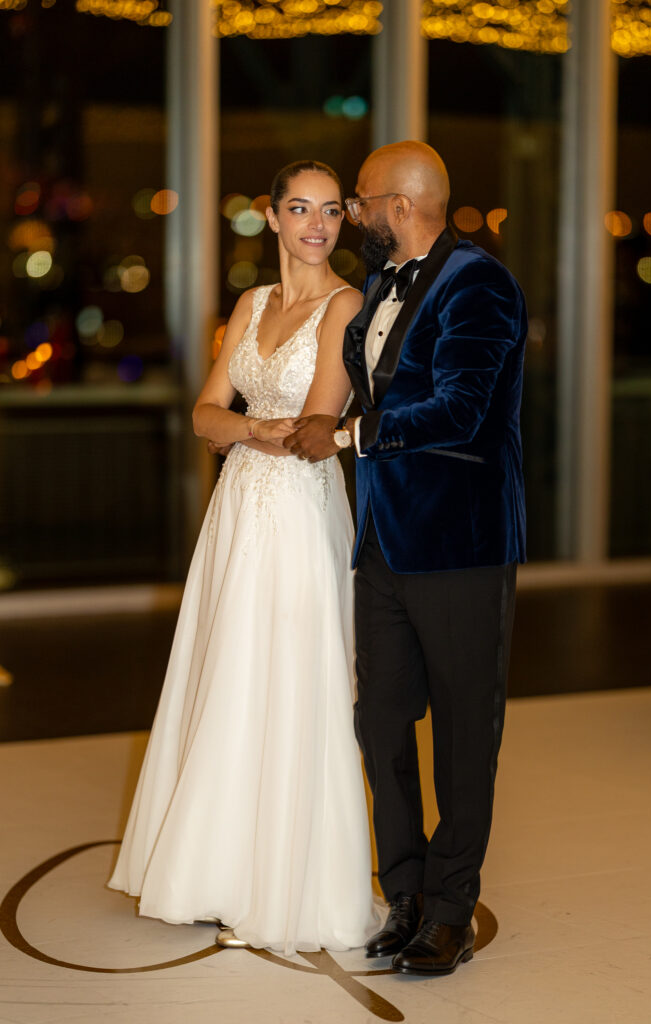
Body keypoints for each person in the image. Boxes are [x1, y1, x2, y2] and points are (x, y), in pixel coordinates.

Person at [108, 160, 380, 956]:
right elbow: (203, 414)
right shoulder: (251, 303)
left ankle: (286, 881)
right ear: (271, 216)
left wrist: (246, 429)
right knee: (227, 670)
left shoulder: (346, 304)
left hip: (299, 511)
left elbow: (314, 428)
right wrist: (254, 428)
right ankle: (213, 869)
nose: (316, 225)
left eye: (329, 211)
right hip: (236, 510)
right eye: (299, 208)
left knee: (291, 675)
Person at [286, 141, 527, 975]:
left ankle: (451, 912)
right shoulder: (381, 284)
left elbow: (461, 410)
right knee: (381, 721)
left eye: (358, 200)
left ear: (398, 205)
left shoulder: (479, 284)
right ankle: (405, 895)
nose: (351, 214)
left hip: (461, 545)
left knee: (463, 732)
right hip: (383, 543)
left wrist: (348, 436)